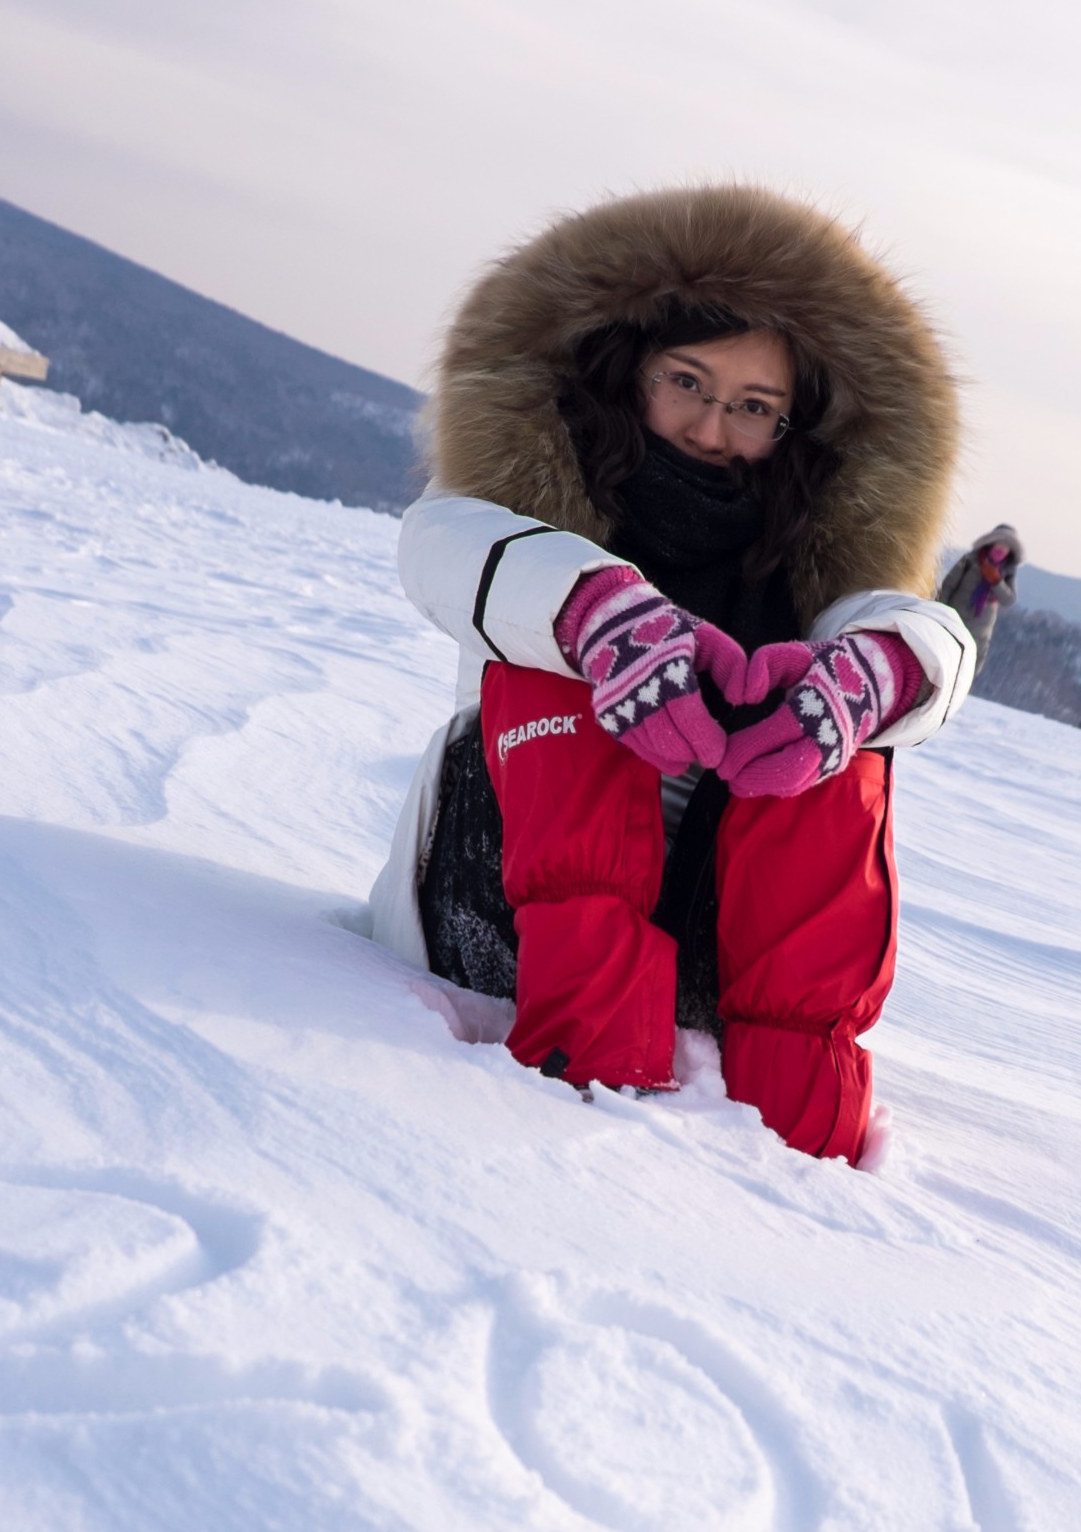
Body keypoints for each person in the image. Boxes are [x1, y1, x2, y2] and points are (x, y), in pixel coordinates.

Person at [368, 185, 976, 1165]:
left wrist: (872, 673)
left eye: (752, 407)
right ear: (630, 366)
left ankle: (802, 1100)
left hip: (712, 953)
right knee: (561, 656)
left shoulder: (800, 556)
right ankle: (589, 1042)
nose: (710, 427)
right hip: (501, 917)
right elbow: (444, 545)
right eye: (687, 382)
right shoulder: (531, 509)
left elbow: (924, 636)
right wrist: (597, 614)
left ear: (793, 428)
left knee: (840, 716)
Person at [937, 524, 1024, 673]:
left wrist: (996, 581)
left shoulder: (1007, 571)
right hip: (953, 618)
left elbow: (1009, 599)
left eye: (1007, 546)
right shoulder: (971, 560)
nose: (1002, 548)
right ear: (991, 542)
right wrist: (938, 612)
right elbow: (948, 586)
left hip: (980, 628)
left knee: (968, 668)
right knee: (941, 656)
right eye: (1000, 543)